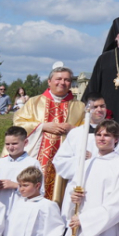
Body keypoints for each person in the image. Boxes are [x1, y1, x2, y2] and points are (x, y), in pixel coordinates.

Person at [12, 66, 86, 202]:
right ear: (49, 81)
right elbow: (18, 123)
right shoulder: (34, 102)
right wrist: (43, 126)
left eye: (67, 80)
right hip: (40, 157)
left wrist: (73, 129)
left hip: (66, 158)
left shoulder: (80, 106)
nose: (62, 83)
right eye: (58, 79)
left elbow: (89, 131)